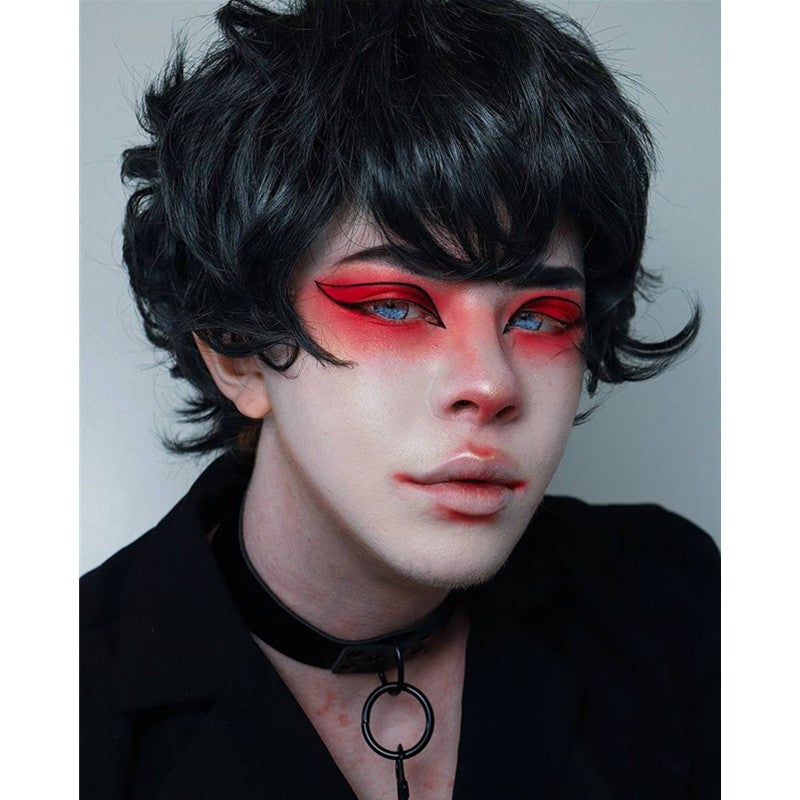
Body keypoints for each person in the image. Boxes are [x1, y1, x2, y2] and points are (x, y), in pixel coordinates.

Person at [80, 1, 720, 798]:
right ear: (237, 350)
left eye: (539, 315)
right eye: (393, 305)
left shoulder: (676, 604)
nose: (490, 384)